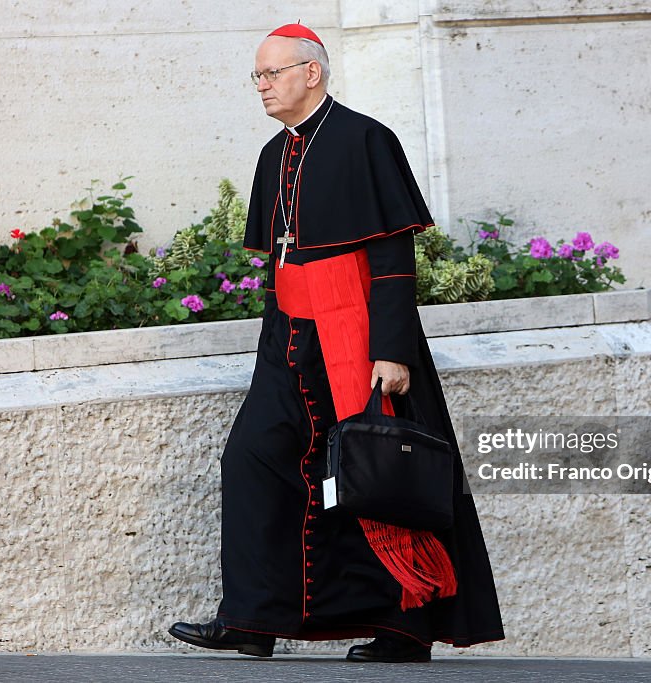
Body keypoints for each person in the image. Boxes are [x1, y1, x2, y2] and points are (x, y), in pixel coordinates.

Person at [169, 22, 505, 663]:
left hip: (358, 338)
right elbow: (282, 263)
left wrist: (392, 348)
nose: (261, 86)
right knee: (253, 458)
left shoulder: (366, 141)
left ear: (311, 72)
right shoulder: (276, 154)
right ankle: (251, 618)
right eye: (257, 76)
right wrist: (274, 344)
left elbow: (393, 257)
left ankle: (405, 628)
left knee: (379, 473)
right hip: (291, 340)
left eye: (272, 73)